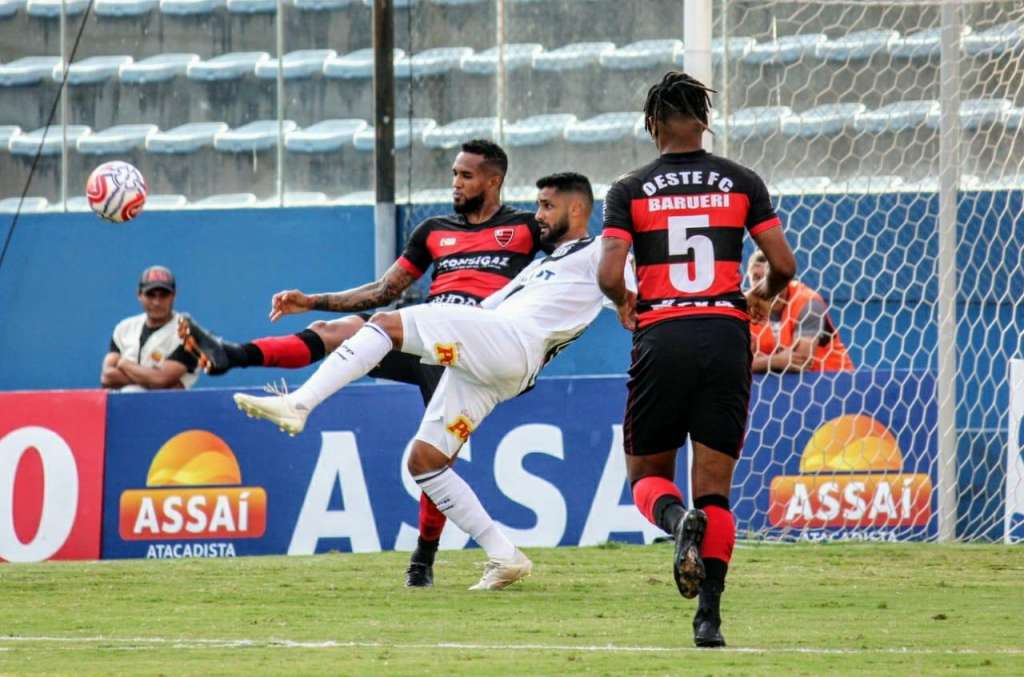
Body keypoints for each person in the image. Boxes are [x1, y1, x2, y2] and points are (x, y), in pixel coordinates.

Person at [232, 173, 634, 591]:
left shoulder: (602, 252)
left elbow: (632, 293)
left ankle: (300, 403)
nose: (538, 215)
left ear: (577, 209)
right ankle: (504, 556)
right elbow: (486, 312)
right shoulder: (541, 266)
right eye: (537, 205)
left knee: (385, 324)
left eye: (547, 206)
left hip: (513, 344)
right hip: (496, 361)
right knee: (425, 462)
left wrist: (631, 307)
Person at [178, 140, 545, 589]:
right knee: (340, 330)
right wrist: (312, 301)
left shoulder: (526, 228)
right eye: (454, 174)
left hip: (472, 348)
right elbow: (383, 291)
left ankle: (424, 556)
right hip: (424, 333)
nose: (455, 183)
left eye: (466, 176)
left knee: (434, 457)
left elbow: (570, 259)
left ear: (494, 180)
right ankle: (230, 354)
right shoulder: (433, 230)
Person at [598, 71, 797, 648]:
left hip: (663, 335)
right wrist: (762, 297)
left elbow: (608, 274)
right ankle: (708, 620)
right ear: (704, 122)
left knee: (648, 476)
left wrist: (624, 300)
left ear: (652, 124)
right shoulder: (742, 181)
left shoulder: (630, 189)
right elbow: (784, 265)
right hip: (726, 336)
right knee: (715, 493)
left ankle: (675, 521)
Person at [746, 250, 854, 373]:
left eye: (770, 277)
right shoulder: (745, 309)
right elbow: (733, 363)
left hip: (834, 378)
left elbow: (801, 362)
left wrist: (757, 361)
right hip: (780, 382)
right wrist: (775, 361)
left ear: (784, 278)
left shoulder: (808, 303)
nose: (763, 284)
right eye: (756, 278)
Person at [101, 265, 201, 392]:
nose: (157, 302)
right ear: (139, 295)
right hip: (122, 403)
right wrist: (150, 378)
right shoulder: (124, 328)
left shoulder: (188, 334)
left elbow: (160, 380)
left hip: (166, 404)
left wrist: (124, 364)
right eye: (150, 295)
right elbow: (107, 377)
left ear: (174, 295)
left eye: (163, 295)